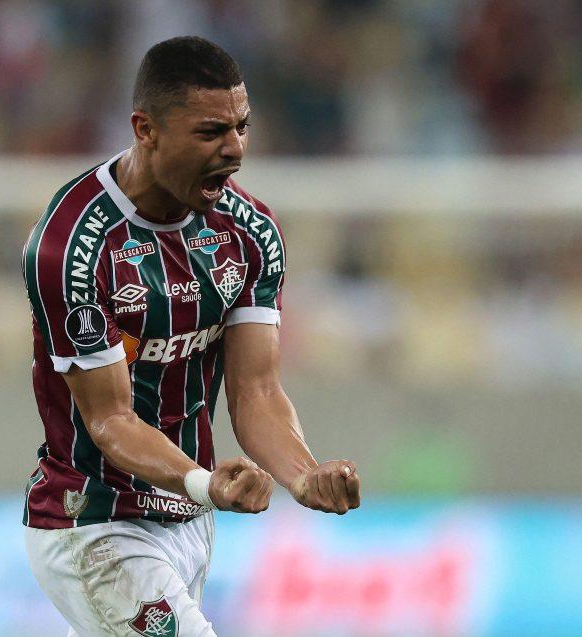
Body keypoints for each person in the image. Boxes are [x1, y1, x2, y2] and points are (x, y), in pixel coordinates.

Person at [21, 36, 361, 637]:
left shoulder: (249, 232)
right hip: (93, 521)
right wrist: (206, 482)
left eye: (242, 127)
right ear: (145, 128)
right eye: (210, 132)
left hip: (191, 521)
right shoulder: (73, 246)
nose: (234, 150)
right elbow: (109, 420)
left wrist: (303, 476)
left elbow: (256, 391)